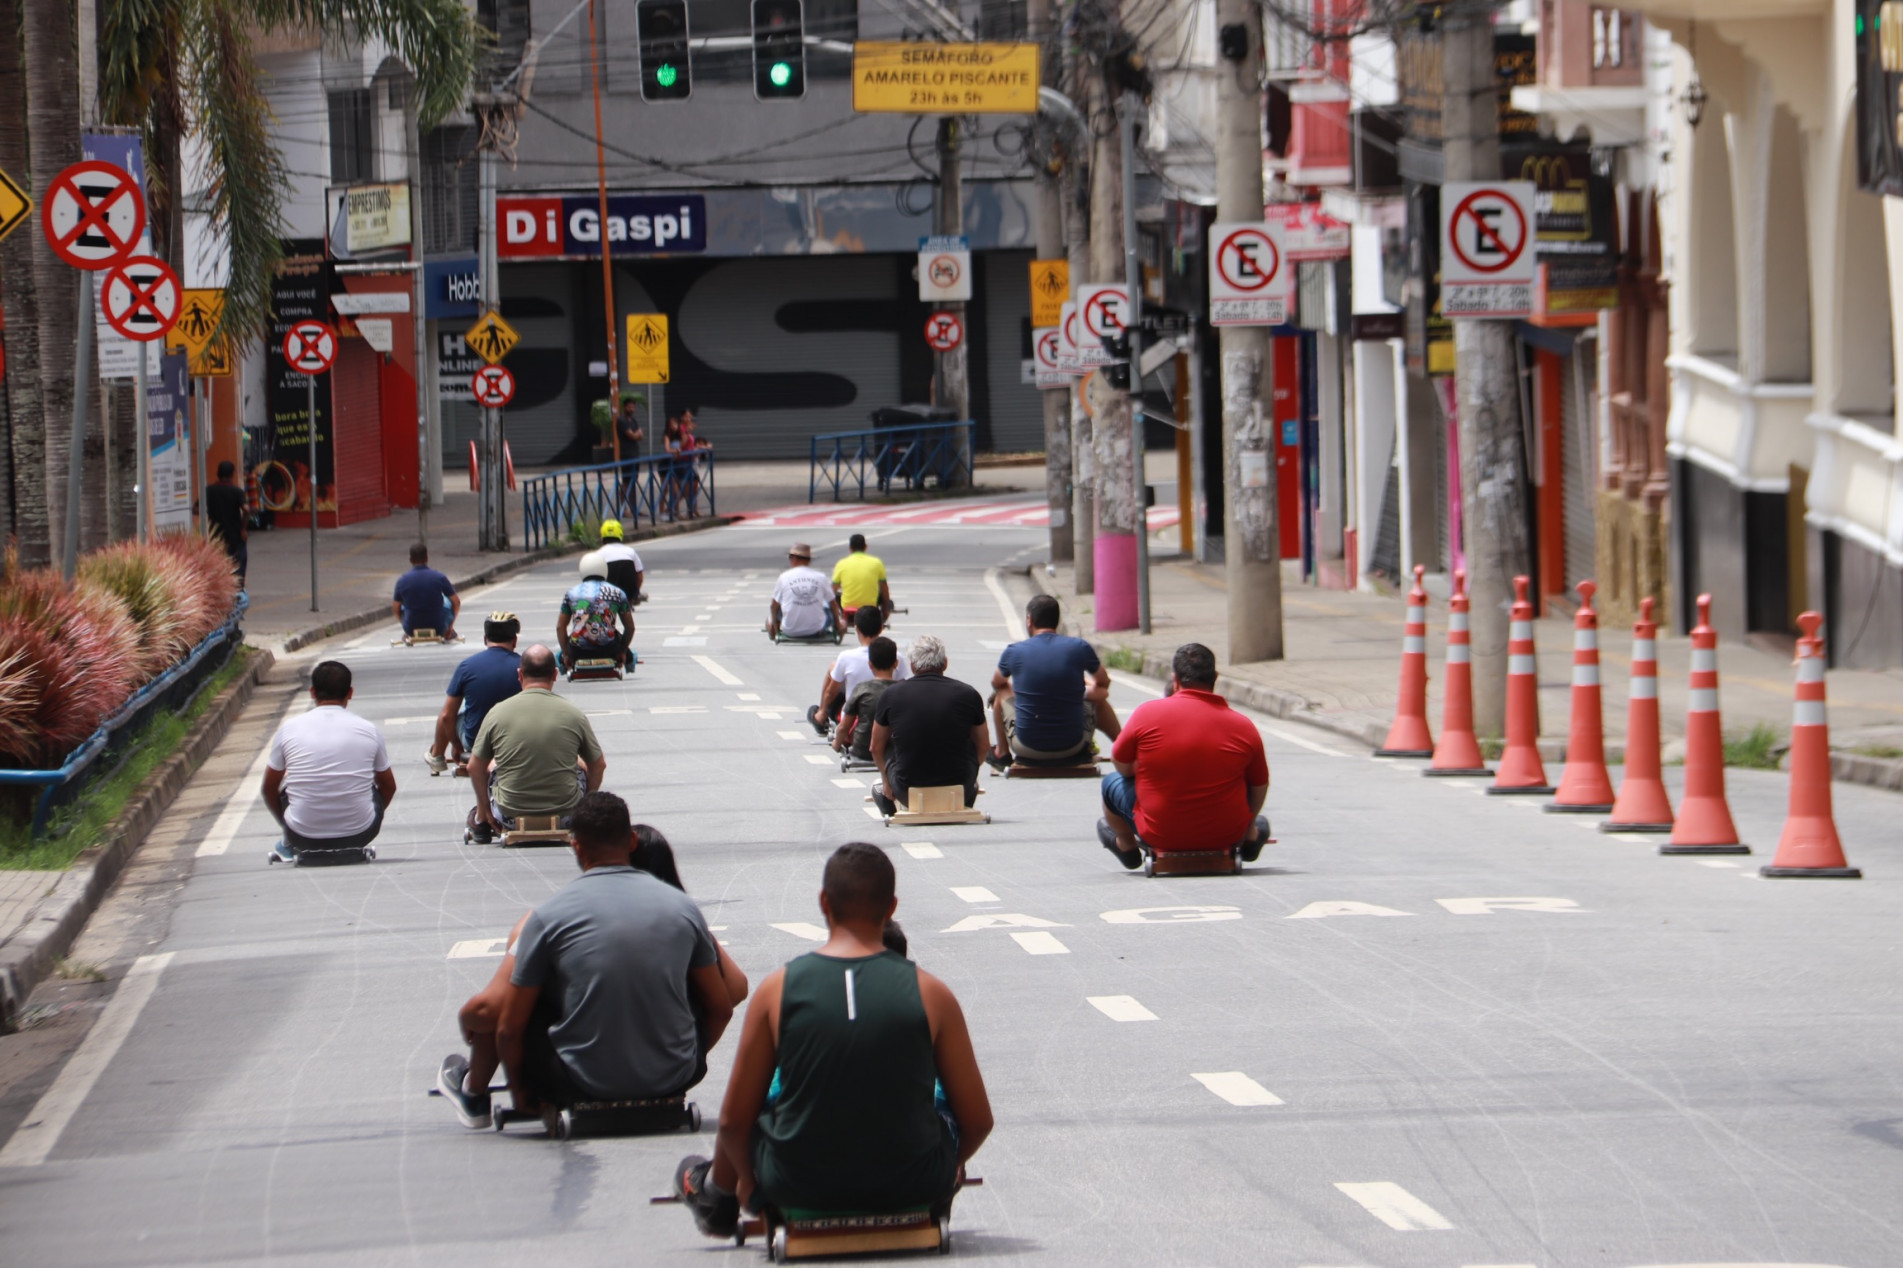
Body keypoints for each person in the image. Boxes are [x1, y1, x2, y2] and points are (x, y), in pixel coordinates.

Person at [674, 843, 992, 1235]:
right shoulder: (933, 994)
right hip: (915, 1182)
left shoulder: (777, 991)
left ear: (824, 902)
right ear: (891, 907)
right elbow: (978, 1121)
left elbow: (734, 1123)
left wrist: (752, 1186)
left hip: (794, 1185)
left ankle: (710, 1195)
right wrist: (943, 1172)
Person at [437, 792, 736, 1129]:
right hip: (674, 1075)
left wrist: (522, 1092)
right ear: (632, 840)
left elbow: (507, 1029)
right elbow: (722, 1007)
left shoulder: (548, 917)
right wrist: (688, 1061)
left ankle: (473, 1092)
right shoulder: (684, 909)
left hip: (577, 1080)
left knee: (525, 1004)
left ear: (576, 846)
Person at [1097, 642, 1271, 870]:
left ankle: (1125, 844)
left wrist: (1144, 768)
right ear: (1215, 677)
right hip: (1227, 834)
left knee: (1111, 782)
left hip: (1159, 833)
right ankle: (1251, 834)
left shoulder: (1146, 714)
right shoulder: (1243, 726)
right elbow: (1260, 784)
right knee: (1252, 795)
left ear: (1175, 680)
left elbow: (1121, 764)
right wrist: (1248, 825)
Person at [467, 644, 606, 844]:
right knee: (580, 764)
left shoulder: (497, 712)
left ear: (520, 675)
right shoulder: (573, 713)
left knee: (492, 764)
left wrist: (485, 809)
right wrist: (584, 809)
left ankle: (480, 820)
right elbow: (599, 765)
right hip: (567, 816)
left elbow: (474, 767)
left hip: (509, 816)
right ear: (555, 674)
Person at [262, 660, 395, 862]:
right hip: (360, 832)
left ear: (313, 692)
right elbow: (388, 786)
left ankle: (288, 840)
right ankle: (354, 821)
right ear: (350, 693)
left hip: (301, 835)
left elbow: (268, 788)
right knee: (370, 787)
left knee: (288, 785)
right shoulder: (368, 729)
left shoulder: (288, 729)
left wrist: (288, 827)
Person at [987, 595, 1120, 770]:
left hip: (1027, 747)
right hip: (1074, 746)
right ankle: (1124, 747)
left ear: (1029, 620)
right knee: (1100, 699)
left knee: (1000, 694)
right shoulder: (1079, 647)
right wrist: (1082, 690)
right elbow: (1103, 682)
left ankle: (1002, 753)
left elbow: (997, 683)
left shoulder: (1014, 652)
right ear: (1057, 621)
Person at [870, 635, 989, 814]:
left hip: (906, 789)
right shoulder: (968, 694)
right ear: (945, 663)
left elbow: (875, 747)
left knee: (887, 743)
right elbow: (984, 745)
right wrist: (970, 776)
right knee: (970, 741)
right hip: (959, 787)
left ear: (912, 666)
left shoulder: (891, 694)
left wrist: (887, 781)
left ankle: (886, 793)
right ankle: (967, 786)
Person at [427, 613, 522, 775]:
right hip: (517, 741)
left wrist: (457, 746)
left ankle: (437, 757)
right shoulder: (526, 665)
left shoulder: (467, 667)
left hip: (476, 743)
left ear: (485, 639)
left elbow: (446, 717)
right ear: (515, 641)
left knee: (455, 706)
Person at [806, 605, 910, 736]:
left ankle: (821, 714)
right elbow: (903, 688)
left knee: (834, 671)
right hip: (887, 718)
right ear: (881, 628)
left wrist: (823, 710)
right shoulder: (896, 656)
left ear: (856, 629)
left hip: (854, 721)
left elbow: (830, 692)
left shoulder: (846, 657)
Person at [557, 550, 635, 671]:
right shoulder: (617, 592)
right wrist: (623, 651)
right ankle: (629, 665)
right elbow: (630, 628)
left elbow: (560, 627)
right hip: (610, 650)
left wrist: (566, 655)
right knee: (623, 644)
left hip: (577, 651)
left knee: (559, 654)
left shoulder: (571, 594)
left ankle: (564, 666)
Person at [833, 636, 899, 765]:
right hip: (894, 751)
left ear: (870, 664)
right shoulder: (903, 690)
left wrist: (836, 744)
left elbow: (843, 727)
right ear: (896, 663)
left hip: (863, 750)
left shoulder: (862, 689)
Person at [767, 542, 839, 641]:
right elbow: (833, 604)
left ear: (794, 558)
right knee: (827, 607)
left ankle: (774, 631)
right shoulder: (821, 577)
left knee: (770, 617)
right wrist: (838, 624)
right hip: (816, 630)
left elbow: (774, 605)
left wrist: (775, 627)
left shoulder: (784, 577)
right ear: (808, 560)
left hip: (790, 630)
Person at [392, 542, 460, 641]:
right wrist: (450, 626)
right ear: (427, 558)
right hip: (439, 627)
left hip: (411, 628)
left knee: (403, 606)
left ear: (410, 560)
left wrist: (405, 625)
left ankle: (407, 631)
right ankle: (449, 631)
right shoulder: (439, 577)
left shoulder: (402, 581)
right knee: (447, 601)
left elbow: (395, 608)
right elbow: (456, 602)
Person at [203, 460, 248, 587]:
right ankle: (238, 590)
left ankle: (222, 588)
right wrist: (243, 528)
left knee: (219, 564)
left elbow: (196, 508)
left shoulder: (209, 490)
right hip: (235, 535)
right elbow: (246, 509)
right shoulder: (237, 491)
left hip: (216, 534)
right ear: (232, 474)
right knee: (238, 564)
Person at [830, 533, 892, 620]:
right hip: (870, 608)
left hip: (847, 609)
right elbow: (884, 587)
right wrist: (886, 608)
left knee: (836, 596)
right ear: (865, 547)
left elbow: (833, 589)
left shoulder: (841, 564)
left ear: (850, 548)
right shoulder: (876, 563)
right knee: (884, 596)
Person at [596, 519, 646, 605]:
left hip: (607, 594)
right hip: (628, 594)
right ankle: (632, 598)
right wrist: (636, 592)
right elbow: (640, 575)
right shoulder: (630, 551)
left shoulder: (598, 554)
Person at [615, 392, 645, 457]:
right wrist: (637, 433)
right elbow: (632, 436)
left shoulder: (633, 420)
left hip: (635, 453)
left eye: (633, 407)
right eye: (629, 407)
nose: (631, 409)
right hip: (626, 454)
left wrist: (636, 434)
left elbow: (642, 437)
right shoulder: (622, 420)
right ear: (624, 407)